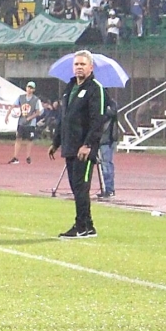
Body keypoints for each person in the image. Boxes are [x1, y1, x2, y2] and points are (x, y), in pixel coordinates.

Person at [49, 50, 106, 239]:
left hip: (83, 148)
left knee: (81, 187)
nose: (79, 67)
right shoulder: (70, 88)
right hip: (70, 145)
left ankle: (81, 226)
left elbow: (97, 120)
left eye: (82, 64)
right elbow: (63, 118)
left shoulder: (95, 88)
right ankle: (88, 225)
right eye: (76, 64)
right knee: (76, 187)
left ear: (91, 67)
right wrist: (56, 142)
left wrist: (88, 144)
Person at [5, 81, 43, 165]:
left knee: (29, 140)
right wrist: (7, 115)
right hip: (21, 122)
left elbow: (38, 112)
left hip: (31, 123)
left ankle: (28, 156)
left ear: (33, 90)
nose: (29, 89)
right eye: (28, 87)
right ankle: (15, 157)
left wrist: (30, 117)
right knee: (18, 139)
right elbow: (13, 106)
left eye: (31, 88)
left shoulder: (36, 100)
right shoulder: (21, 97)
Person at [97, 94, 119, 199]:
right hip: (97, 137)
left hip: (107, 139)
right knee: (101, 165)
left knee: (106, 164)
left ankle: (109, 189)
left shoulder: (111, 104)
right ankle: (104, 188)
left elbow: (108, 115)